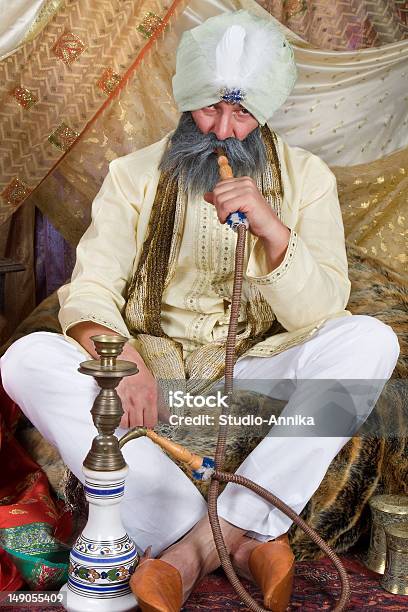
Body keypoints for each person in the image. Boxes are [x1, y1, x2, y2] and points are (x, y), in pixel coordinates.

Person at [0, 10, 400, 612]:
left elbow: (322, 313)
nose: (223, 129)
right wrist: (122, 357)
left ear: (265, 112)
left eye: (242, 113)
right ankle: (247, 537)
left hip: (253, 379)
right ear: (186, 102)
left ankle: (190, 554)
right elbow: (91, 290)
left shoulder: (307, 177)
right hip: (162, 382)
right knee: (25, 358)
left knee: (370, 341)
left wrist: (272, 230)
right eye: (209, 109)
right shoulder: (132, 175)